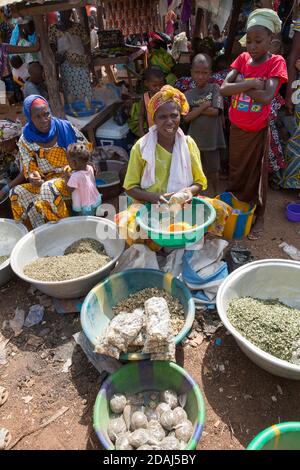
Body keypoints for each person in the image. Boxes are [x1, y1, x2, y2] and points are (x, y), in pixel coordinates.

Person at [220, 8, 288, 239]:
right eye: (248, 41)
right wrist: (250, 83)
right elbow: (223, 89)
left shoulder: (276, 63)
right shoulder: (242, 59)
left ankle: (257, 215)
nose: (252, 46)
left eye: (258, 41)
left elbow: (267, 97)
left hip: (258, 130)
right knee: (237, 169)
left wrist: (240, 82)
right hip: (237, 127)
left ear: (272, 40)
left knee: (256, 175)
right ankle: (235, 207)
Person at [117, 85, 207, 249]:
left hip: (182, 203)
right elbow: (130, 187)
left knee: (219, 210)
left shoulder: (188, 144)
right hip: (149, 204)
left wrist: (186, 193)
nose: (169, 122)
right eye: (162, 117)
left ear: (180, 116)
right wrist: (154, 197)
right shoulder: (142, 147)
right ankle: (153, 249)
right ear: (154, 118)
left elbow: (199, 182)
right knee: (124, 223)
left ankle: (168, 244)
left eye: (174, 115)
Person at [10, 95, 91, 229]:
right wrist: (33, 176)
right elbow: (29, 167)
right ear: (30, 118)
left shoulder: (65, 128)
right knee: (16, 192)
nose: (44, 120)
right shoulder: (26, 140)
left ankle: (64, 229)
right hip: (44, 182)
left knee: (48, 188)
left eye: (46, 114)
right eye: (38, 117)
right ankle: (37, 230)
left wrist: (76, 171)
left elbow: (85, 152)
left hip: (72, 179)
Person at [185, 54, 226, 196]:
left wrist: (196, 110)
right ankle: (197, 196)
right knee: (195, 169)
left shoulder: (215, 88)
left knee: (214, 170)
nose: (201, 76)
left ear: (210, 73)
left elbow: (215, 111)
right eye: (197, 72)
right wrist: (204, 106)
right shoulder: (188, 94)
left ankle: (215, 194)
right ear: (191, 73)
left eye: (204, 72)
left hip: (212, 139)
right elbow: (186, 117)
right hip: (194, 139)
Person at [49, 9, 92, 103]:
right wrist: (57, 58)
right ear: (59, 11)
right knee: (70, 91)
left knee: (85, 89)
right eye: (63, 11)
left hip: (81, 63)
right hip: (65, 64)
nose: (66, 13)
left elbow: (87, 46)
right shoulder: (53, 29)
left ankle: (88, 110)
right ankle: (74, 112)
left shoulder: (78, 27)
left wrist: (89, 62)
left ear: (70, 13)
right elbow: (52, 49)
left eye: (68, 11)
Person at [65, 143, 102, 216]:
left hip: (85, 205)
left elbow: (70, 189)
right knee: (95, 216)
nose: (67, 162)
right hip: (95, 199)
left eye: (68, 160)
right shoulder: (90, 168)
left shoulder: (75, 176)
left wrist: (66, 177)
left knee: (86, 221)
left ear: (74, 163)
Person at [138, 66, 166, 137]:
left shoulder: (166, 96)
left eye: (161, 85)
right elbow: (141, 115)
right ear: (146, 83)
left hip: (165, 131)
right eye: (155, 85)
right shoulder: (145, 97)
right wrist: (141, 130)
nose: (158, 88)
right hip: (151, 132)